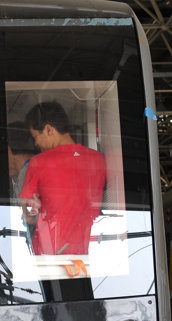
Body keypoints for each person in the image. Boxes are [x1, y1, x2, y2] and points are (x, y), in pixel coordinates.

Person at [18, 101, 106, 256]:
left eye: (35, 136)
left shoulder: (39, 162)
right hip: (84, 253)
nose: (36, 143)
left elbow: (29, 216)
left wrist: (31, 212)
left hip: (48, 253)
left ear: (48, 129)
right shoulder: (98, 160)